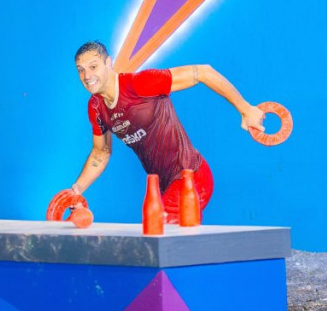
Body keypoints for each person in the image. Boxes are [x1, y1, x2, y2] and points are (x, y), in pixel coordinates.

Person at [66, 41, 264, 221]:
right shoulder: (95, 107)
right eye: (81, 70)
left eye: (93, 67)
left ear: (108, 63)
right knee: (166, 239)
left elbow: (203, 72)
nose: (87, 76)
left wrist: (245, 109)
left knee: (157, 228)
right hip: (166, 187)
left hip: (191, 176)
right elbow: (101, 153)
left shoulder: (139, 84)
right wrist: (77, 189)